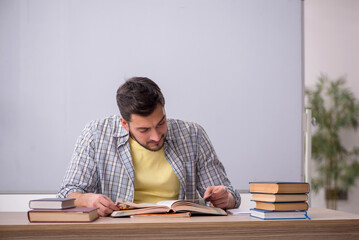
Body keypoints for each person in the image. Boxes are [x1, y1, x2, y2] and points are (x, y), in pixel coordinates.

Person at [58, 77, 240, 216]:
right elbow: (67, 192)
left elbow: (232, 196)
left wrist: (225, 198)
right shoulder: (96, 134)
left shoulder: (193, 134)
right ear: (124, 123)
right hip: (119, 233)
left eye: (161, 122)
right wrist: (88, 199)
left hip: (180, 232)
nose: (156, 136)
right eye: (144, 129)